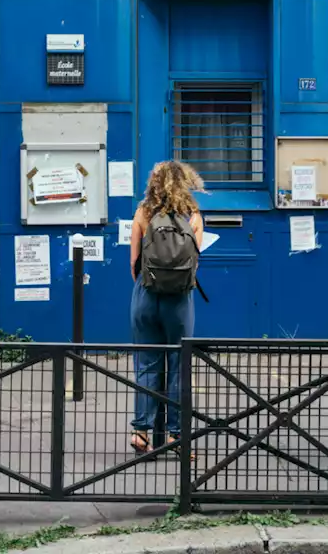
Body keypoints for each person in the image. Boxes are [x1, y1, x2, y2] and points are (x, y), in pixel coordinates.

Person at [128, 161, 204, 456]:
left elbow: (133, 265)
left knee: (147, 364)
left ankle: (142, 432)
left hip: (146, 295)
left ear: (154, 183)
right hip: (180, 300)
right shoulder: (193, 216)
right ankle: (176, 436)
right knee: (178, 365)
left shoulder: (142, 213)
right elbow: (195, 264)